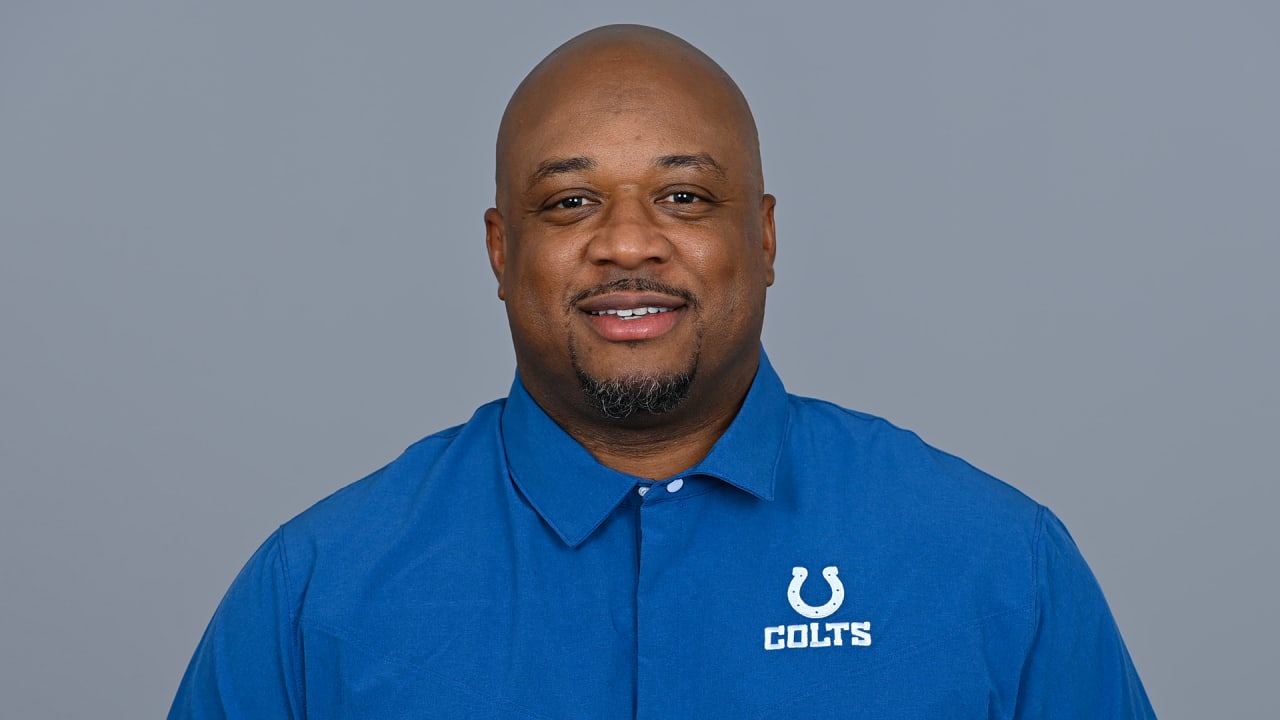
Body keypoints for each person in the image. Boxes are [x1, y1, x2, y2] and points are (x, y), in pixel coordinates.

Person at [169, 24, 1156, 719]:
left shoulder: (994, 564)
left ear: (762, 237)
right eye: (570, 203)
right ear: (501, 250)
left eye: (683, 197)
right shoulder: (315, 596)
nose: (628, 242)